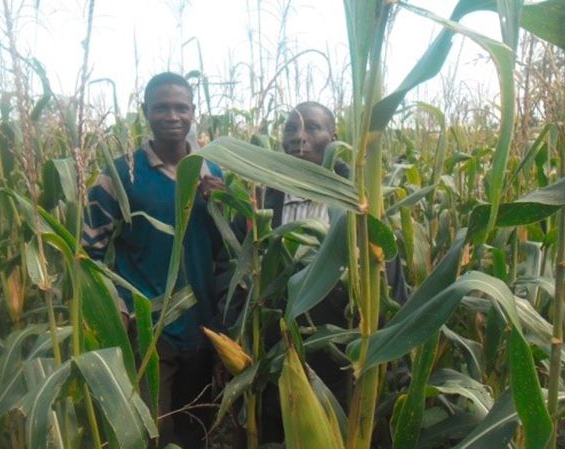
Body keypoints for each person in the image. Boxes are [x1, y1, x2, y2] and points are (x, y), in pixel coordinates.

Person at [219, 101, 407, 445]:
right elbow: (237, 270)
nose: (299, 138)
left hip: (345, 355)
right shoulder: (260, 202)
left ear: (334, 138)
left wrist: (391, 352)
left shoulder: (360, 200)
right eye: (290, 129)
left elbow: (389, 279)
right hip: (276, 355)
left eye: (313, 128)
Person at [82, 72, 224, 449]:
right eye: (162, 107)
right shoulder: (119, 173)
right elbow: (88, 254)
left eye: (181, 107)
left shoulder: (214, 170)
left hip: (203, 325)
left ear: (194, 112)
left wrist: (222, 204)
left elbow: (232, 251)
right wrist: (119, 308)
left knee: (198, 430)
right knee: (152, 433)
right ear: (145, 111)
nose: (172, 116)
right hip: (149, 328)